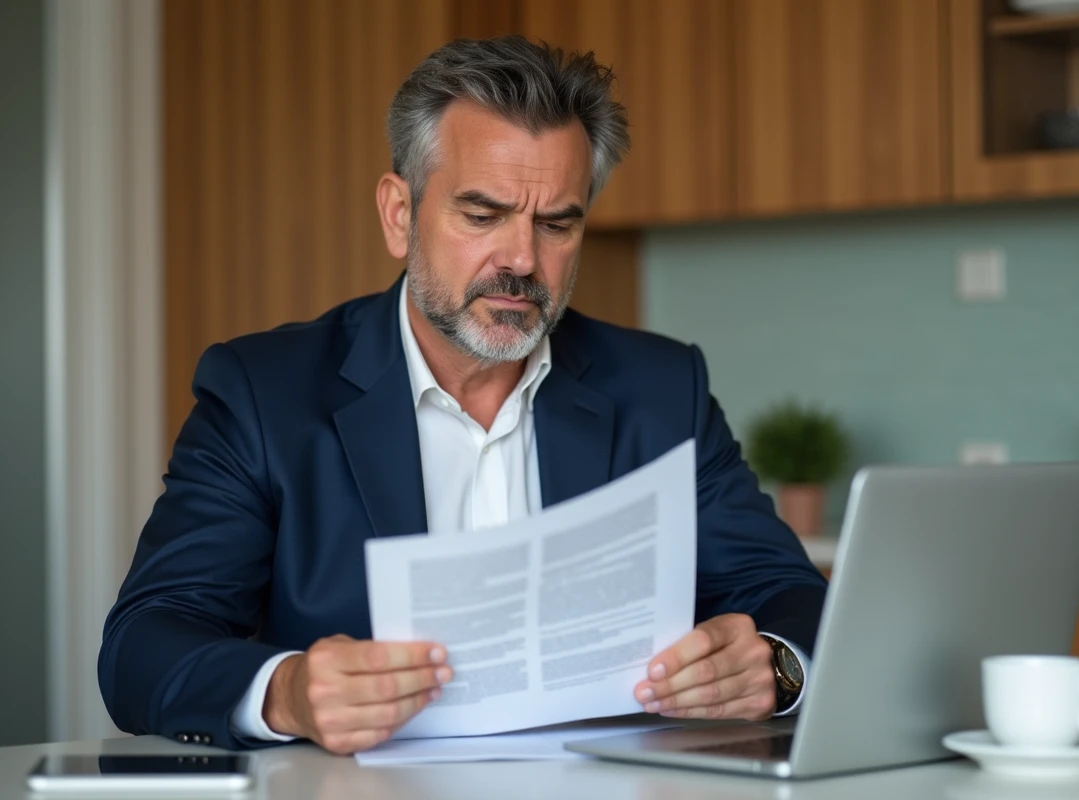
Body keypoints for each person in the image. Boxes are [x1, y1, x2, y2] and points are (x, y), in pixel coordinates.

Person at [98, 35, 827, 755]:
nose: (521, 259)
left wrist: (773, 662)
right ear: (399, 214)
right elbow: (145, 642)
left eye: (557, 223)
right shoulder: (263, 394)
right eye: (482, 215)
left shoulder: (663, 388)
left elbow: (791, 595)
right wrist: (287, 692)